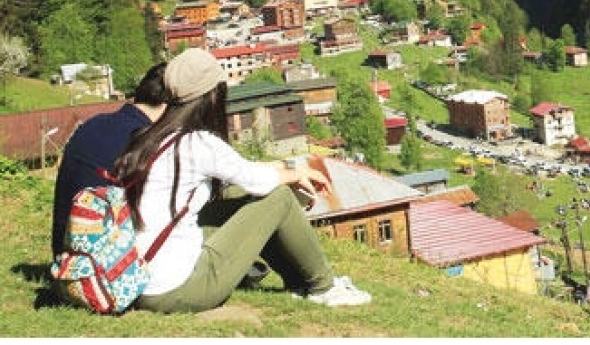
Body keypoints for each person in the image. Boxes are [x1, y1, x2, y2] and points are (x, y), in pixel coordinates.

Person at [115, 48, 369, 312]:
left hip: (140, 281)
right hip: (179, 288)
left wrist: (285, 172)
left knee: (244, 199)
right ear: (212, 96)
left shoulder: (149, 138)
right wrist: (294, 173)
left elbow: (241, 175)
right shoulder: (197, 143)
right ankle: (324, 287)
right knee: (277, 197)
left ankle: (299, 283)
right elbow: (257, 180)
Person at [51, 62, 171, 256]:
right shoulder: (145, 141)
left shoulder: (93, 123)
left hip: (66, 260)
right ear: (169, 106)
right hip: (108, 270)